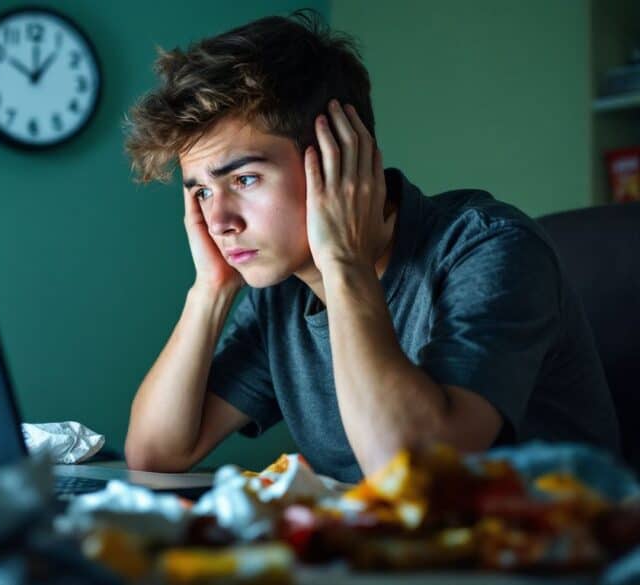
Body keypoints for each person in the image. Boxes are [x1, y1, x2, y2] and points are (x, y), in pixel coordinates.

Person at [121, 10, 620, 483]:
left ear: (342, 160)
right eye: (202, 192)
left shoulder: (490, 248)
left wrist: (344, 263)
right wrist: (209, 290)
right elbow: (155, 454)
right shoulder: (284, 289)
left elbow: (412, 473)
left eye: (246, 179)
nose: (220, 221)